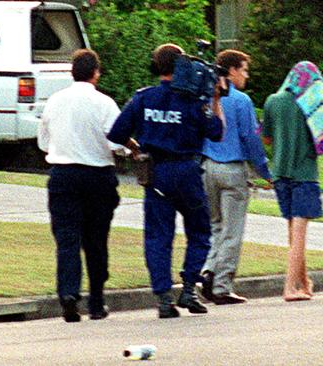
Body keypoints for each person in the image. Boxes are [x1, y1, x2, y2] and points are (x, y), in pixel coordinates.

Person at [107, 44, 225, 318]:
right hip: (187, 172)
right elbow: (217, 132)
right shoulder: (195, 101)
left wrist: (136, 147)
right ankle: (188, 287)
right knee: (199, 231)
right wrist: (215, 100)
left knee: (158, 237)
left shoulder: (143, 98)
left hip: (156, 173)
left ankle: (163, 298)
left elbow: (116, 133)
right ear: (182, 66)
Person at [38, 49, 131, 322]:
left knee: (67, 238)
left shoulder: (55, 101)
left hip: (63, 174)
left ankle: (68, 294)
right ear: (96, 73)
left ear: (72, 73)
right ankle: (97, 301)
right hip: (97, 175)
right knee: (96, 240)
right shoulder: (104, 103)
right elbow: (116, 142)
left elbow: (44, 142)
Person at [262, 61, 323, 301]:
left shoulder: (272, 101)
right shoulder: (311, 105)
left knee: (293, 234)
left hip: (280, 173)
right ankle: (289, 287)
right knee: (299, 235)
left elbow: (266, 138)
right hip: (304, 173)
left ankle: (304, 283)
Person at [200, 50, 272, 305]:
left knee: (215, 225)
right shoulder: (241, 101)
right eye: (243, 70)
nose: (246, 75)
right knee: (232, 229)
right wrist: (265, 171)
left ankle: (208, 269)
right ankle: (222, 285)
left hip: (207, 165)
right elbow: (250, 139)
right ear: (231, 71)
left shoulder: (206, 96)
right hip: (232, 167)